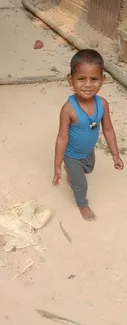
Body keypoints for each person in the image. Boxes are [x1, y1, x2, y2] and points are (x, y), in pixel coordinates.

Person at [53, 49, 124, 221]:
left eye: (94, 79)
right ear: (71, 80)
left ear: (103, 80)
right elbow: (62, 138)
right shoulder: (68, 109)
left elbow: (108, 129)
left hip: (88, 152)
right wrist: (57, 164)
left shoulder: (103, 105)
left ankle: (73, 174)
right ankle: (82, 204)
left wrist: (115, 154)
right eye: (81, 79)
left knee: (89, 169)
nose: (88, 84)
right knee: (80, 184)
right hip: (72, 155)